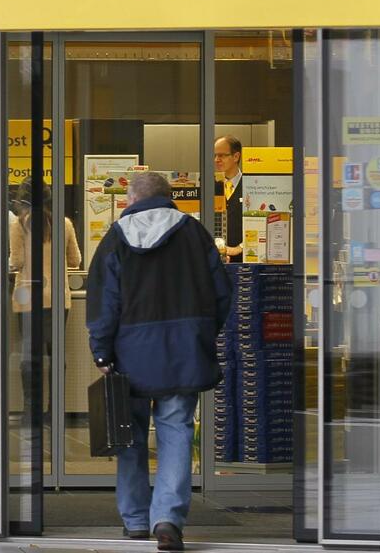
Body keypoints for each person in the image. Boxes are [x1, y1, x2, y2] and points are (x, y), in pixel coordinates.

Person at [86, 171, 232, 551]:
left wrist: (101, 350)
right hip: (184, 352)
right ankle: (167, 519)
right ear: (169, 197)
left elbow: (104, 302)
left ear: (131, 199)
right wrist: (202, 333)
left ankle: (136, 520)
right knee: (176, 431)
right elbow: (222, 292)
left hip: (130, 353)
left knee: (129, 435)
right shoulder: (195, 233)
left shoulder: (115, 238)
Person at [10, 178, 82, 424]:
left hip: (27, 298)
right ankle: (55, 409)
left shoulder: (19, 225)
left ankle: (31, 410)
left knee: (30, 354)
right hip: (58, 298)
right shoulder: (64, 224)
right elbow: (75, 260)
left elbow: (17, 262)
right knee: (56, 355)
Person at [214, 135, 244, 262]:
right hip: (214, 259)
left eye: (221, 155)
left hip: (244, 259)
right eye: (215, 155)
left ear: (236, 156)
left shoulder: (251, 186)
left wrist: (240, 247)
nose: (216, 160)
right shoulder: (210, 186)